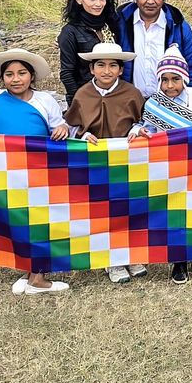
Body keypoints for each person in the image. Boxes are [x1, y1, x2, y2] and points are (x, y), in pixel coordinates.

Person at [0, 48, 70, 294]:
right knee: (19, 221)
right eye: (9, 74)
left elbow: (59, 127)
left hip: (41, 171)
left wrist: (62, 128)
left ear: (31, 76)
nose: (15, 79)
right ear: (3, 79)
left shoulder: (45, 101)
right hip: (11, 174)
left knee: (41, 220)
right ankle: (33, 273)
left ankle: (36, 274)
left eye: (21, 73)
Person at [130, 45, 192, 285]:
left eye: (175, 79)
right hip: (167, 167)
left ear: (184, 78)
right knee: (174, 213)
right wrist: (138, 131)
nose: (170, 85)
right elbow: (146, 128)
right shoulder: (153, 104)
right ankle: (178, 261)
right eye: (165, 80)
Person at [63, 42, 146, 285]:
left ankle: (130, 254)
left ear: (121, 69)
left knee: (127, 208)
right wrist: (80, 135)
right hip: (95, 162)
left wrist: (138, 129)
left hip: (126, 161)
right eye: (101, 65)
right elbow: (71, 126)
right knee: (103, 210)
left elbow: (145, 121)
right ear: (91, 69)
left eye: (113, 65)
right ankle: (112, 259)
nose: (106, 71)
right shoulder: (83, 94)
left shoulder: (132, 93)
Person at [116, 0, 192, 97]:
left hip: (168, 102)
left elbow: (191, 66)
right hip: (130, 101)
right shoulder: (120, 24)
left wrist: (189, 98)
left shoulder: (179, 26)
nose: (150, 1)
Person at [57, 0, 119, 104]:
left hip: (114, 95)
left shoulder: (111, 26)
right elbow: (67, 73)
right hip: (85, 98)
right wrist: (79, 101)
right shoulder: (70, 32)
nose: (98, 4)